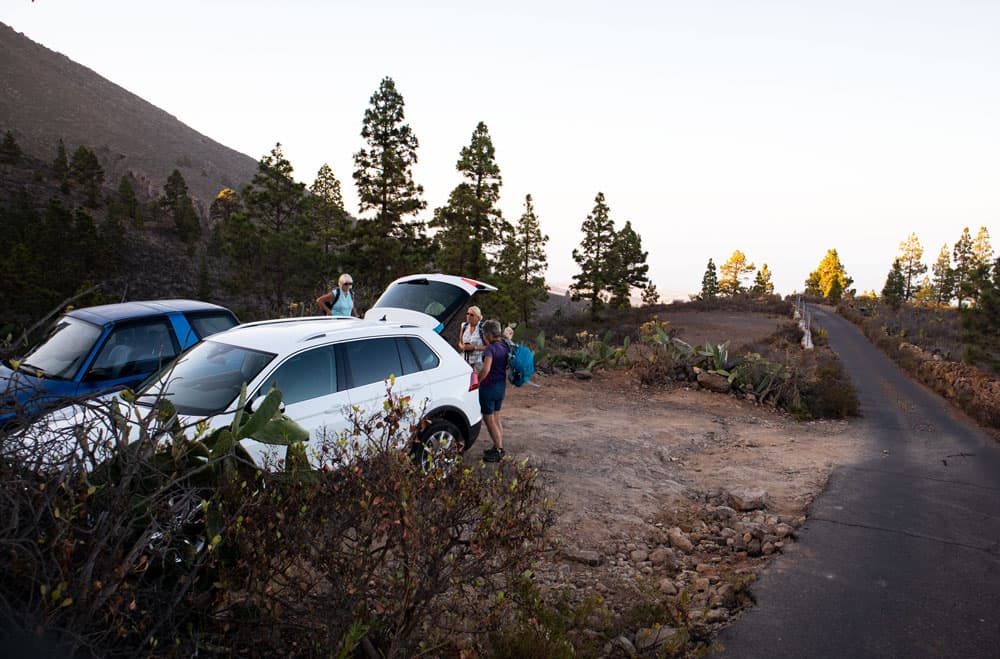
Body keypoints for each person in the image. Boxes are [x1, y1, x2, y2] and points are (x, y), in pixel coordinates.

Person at [477, 319, 510, 463]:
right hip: (501, 386)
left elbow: (486, 369)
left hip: (489, 387)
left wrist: (477, 382)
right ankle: (497, 446)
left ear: (489, 334)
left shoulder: (490, 349)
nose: (483, 337)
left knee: (489, 419)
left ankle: (499, 450)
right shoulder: (505, 345)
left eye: (484, 334)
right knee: (496, 417)